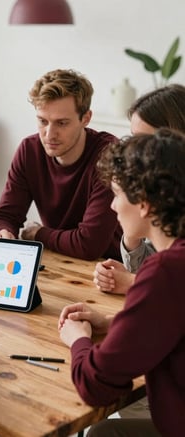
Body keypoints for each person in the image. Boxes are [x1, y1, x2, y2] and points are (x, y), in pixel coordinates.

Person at [58, 128, 185, 437]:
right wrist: (114, 323)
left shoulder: (165, 271)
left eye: (116, 194)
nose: (113, 206)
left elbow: (96, 385)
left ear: (143, 203)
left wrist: (78, 339)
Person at [0, 68, 122, 261]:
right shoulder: (29, 150)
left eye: (62, 123)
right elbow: (6, 215)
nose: (49, 135)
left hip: (106, 268)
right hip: (58, 258)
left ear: (86, 118)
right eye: (43, 121)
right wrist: (4, 232)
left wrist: (38, 234)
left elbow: (89, 245)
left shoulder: (109, 155)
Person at [94, 84, 185, 294]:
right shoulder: (155, 187)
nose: (132, 149)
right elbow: (152, 267)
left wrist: (133, 282)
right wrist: (131, 234)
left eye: (142, 140)